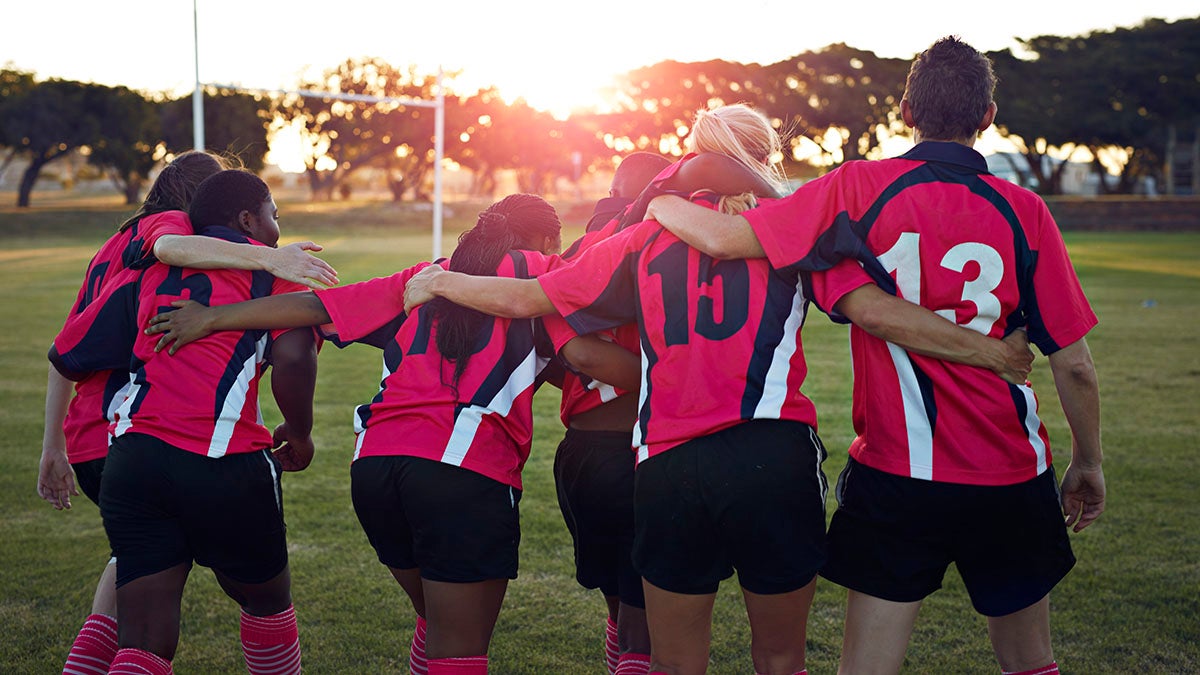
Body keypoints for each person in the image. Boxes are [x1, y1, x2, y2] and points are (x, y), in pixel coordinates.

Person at [399, 103, 1032, 675]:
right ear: (763, 157)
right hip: (772, 452)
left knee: (676, 665)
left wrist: (444, 282)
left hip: (670, 460)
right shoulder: (793, 228)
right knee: (781, 660)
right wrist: (990, 351)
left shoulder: (647, 231)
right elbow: (872, 310)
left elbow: (531, 295)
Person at [643, 36, 1104, 675]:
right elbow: (1074, 363)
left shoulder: (858, 185)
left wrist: (658, 198)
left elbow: (724, 238)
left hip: (899, 470)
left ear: (906, 112)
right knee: (1032, 663)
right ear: (988, 118)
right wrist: (1088, 461)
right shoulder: (1024, 209)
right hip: (1011, 471)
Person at [143, 193, 639, 675]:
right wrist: (682, 369)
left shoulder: (428, 274)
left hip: (376, 468)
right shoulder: (541, 274)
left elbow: (317, 309)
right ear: (549, 239)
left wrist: (213, 319)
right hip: (462, 468)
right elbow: (583, 358)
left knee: (437, 623)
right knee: (457, 651)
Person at [37, 150, 337, 674]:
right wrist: (301, 434)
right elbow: (294, 355)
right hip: (221, 457)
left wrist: (53, 443)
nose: (277, 227)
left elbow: (67, 351)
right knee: (267, 602)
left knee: (144, 636)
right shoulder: (276, 265)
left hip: (131, 456)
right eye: (274, 214)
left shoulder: (146, 270)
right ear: (247, 219)